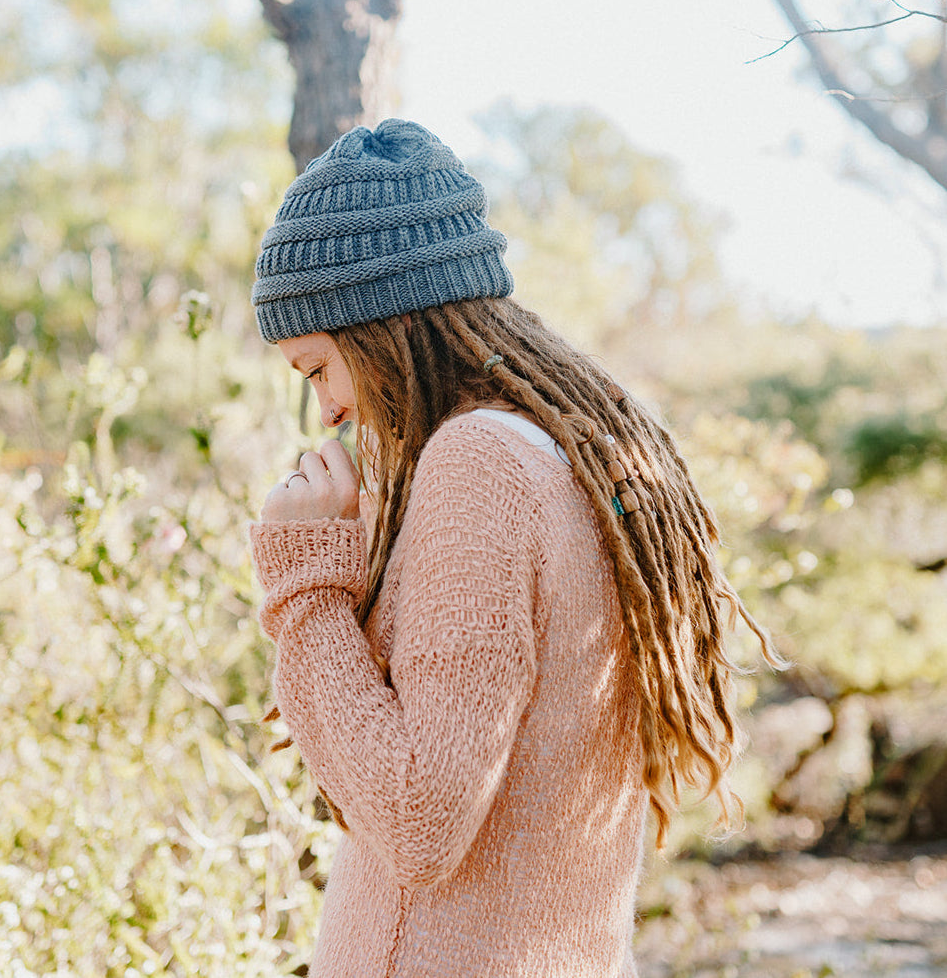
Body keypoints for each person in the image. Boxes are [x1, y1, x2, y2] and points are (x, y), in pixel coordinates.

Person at [248, 119, 780, 978]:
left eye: (317, 370)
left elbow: (420, 819)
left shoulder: (479, 465)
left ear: (383, 327)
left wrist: (306, 588)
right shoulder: (550, 449)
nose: (326, 411)